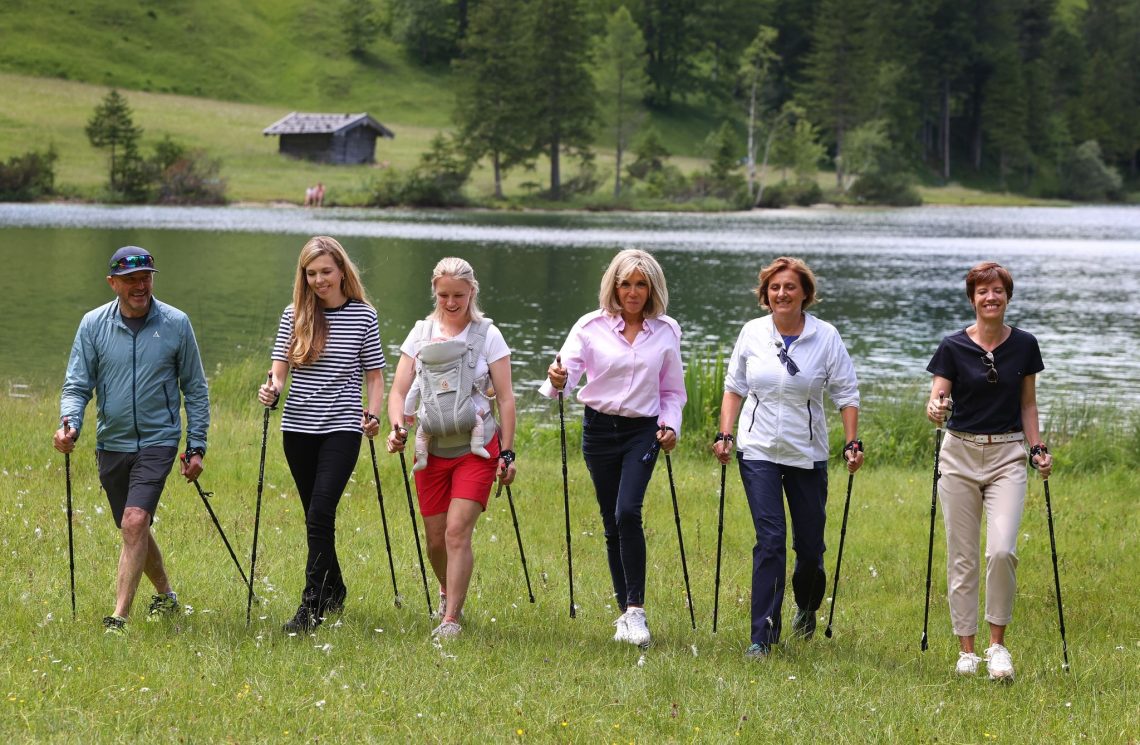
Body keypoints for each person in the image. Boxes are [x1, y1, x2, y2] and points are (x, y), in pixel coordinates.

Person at [53, 246, 210, 635]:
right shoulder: (93, 325)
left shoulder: (176, 323)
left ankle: (119, 617)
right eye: (130, 280)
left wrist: (196, 444)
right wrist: (69, 422)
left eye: (146, 277)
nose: (140, 286)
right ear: (113, 283)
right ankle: (167, 596)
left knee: (135, 520)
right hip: (112, 442)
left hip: (159, 440)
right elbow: (77, 384)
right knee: (132, 528)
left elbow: (195, 389)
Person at [713, 256, 863, 660]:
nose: (782, 293)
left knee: (810, 548)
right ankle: (762, 636)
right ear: (766, 295)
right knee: (771, 540)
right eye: (775, 288)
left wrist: (852, 443)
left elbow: (846, 394)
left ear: (805, 294)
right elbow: (734, 388)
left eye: (790, 287)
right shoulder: (752, 333)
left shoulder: (826, 337)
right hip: (758, 449)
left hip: (807, 453)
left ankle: (808, 606)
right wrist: (726, 433)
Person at [541, 248, 686, 648]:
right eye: (626, 283)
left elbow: (672, 391)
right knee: (610, 521)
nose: (633, 292)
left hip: (643, 430)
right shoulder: (590, 326)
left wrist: (670, 425)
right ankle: (625, 613)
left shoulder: (668, 330)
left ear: (653, 287)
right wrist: (556, 379)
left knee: (628, 512)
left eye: (641, 284)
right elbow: (563, 378)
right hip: (599, 429)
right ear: (614, 286)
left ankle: (637, 611)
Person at [926, 261, 1052, 682]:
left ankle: (998, 647)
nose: (990, 297)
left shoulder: (1025, 345)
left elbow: (1028, 404)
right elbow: (936, 400)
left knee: (1002, 550)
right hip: (959, 454)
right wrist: (935, 408)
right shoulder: (952, 346)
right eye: (982, 291)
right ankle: (967, 650)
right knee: (961, 556)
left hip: (1007, 456)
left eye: (997, 290)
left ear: (1007, 296)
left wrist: (1037, 448)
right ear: (972, 298)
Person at [258, 236, 386, 634]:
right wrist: (273, 388)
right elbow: (279, 369)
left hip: (342, 427)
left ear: (342, 271)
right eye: (311, 273)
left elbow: (376, 375)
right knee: (314, 516)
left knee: (320, 513)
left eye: (325, 272)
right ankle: (336, 588)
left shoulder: (364, 316)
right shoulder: (293, 314)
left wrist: (374, 413)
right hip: (297, 427)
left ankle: (311, 607)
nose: (318, 280)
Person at [386, 257, 517, 640]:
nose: (451, 302)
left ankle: (451, 620)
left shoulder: (488, 336)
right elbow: (398, 390)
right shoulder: (420, 333)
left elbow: (506, 399)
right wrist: (397, 427)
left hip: (477, 450)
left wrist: (507, 453)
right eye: (444, 294)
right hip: (431, 450)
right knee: (435, 540)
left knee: (458, 532)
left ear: (472, 292)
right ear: (435, 291)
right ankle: (447, 589)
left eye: (459, 295)